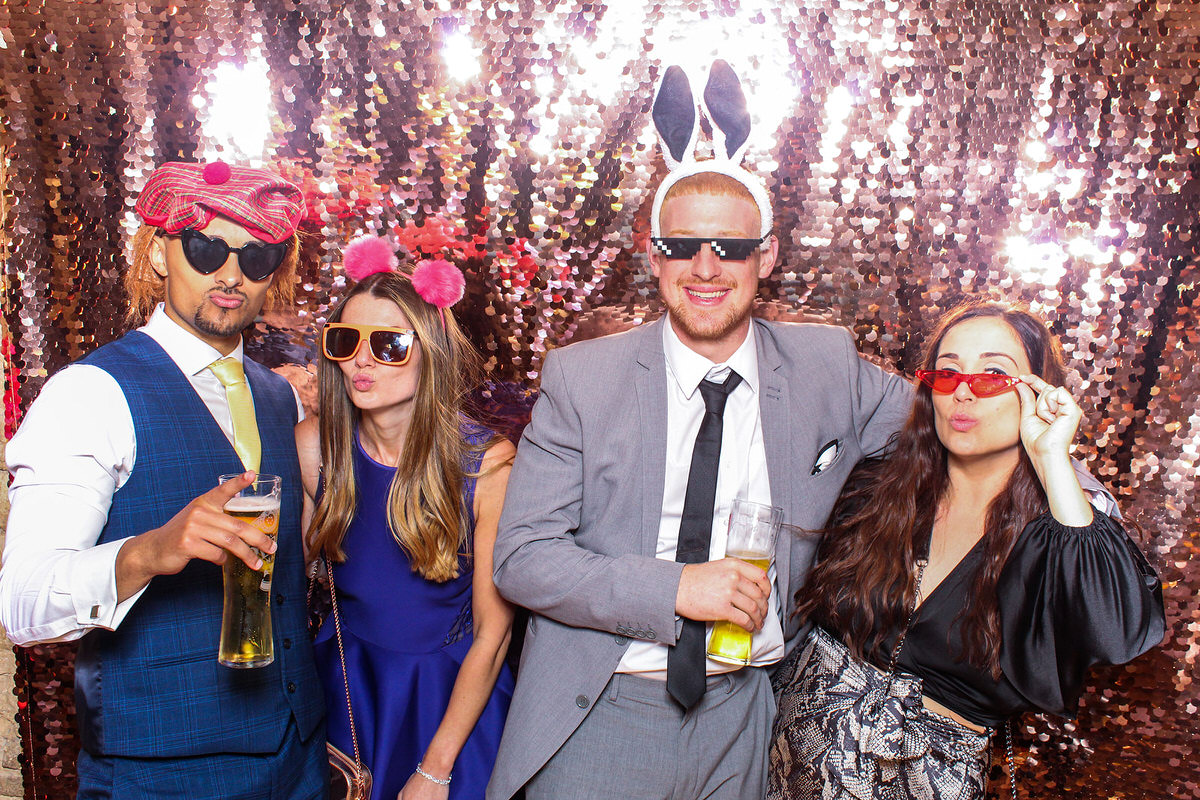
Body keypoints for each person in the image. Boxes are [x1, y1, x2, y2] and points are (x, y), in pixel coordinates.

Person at [485, 61, 913, 800]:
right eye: (683, 246)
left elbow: (958, 429)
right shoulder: (583, 378)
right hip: (605, 714)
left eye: (732, 247)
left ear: (767, 256)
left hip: (745, 719)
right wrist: (679, 588)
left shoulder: (825, 365)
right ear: (654, 257)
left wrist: (1067, 479)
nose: (706, 267)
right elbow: (522, 559)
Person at [0, 161, 327, 798]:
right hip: (162, 768)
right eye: (206, 249)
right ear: (158, 255)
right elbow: (22, 604)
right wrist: (154, 550)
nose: (231, 275)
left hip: (296, 756)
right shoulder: (90, 395)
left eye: (257, 258)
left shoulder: (278, 399)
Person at [767, 301, 1167, 799]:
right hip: (784, 760)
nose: (962, 391)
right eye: (948, 371)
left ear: (1039, 392)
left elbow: (1116, 629)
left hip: (921, 783)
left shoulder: (1058, 533)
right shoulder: (876, 488)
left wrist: (1052, 459)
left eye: (993, 375)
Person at [297, 238, 516, 800]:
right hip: (348, 692)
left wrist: (435, 768)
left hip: (449, 705)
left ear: (431, 350)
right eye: (345, 341)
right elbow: (284, 590)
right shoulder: (314, 449)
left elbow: (495, 633)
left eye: (389, 344)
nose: (361, 360)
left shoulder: (487, 465)